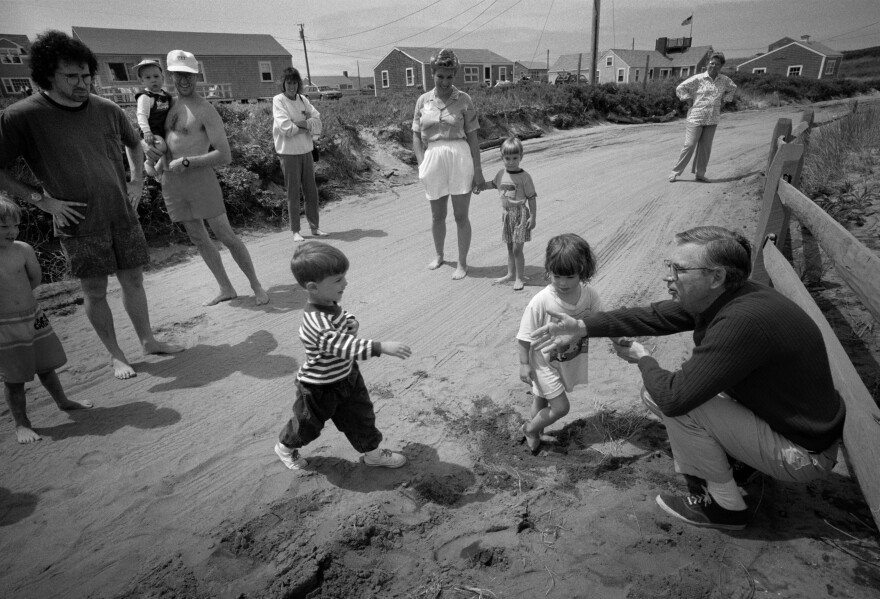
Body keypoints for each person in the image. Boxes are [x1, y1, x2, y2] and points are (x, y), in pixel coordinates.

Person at [531, 226, 844, 530]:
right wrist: (581, 327)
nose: (669, 276)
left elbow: (674, 398)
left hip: (803, 454)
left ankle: (725, 506)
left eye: (679, 269)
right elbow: (653, 316)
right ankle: (738, 463)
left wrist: (644, 358)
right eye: (670, 266)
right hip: (791, 430)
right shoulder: (731, 296)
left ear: (716, 276)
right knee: (668, 389)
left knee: (669, 397)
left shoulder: (741, 322)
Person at [0, 30, 183, 380]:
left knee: (133, 280)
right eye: (71, 76)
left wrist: (137, 180)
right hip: (78, 221)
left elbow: (134, 145)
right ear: (46, 76)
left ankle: (148, 340)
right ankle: (116, 355)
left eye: (86, 75)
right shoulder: (22, 116)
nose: (82, 82)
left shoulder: (107, 108)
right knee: (95, 289)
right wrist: (42, 200)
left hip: (121, 213)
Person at [274, 241, 412, 470]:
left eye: (343, 277)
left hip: (347, 375)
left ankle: (373, 453)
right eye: (338, 280)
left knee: (361, 417)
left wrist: (352, 321)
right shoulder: (316, 322)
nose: (345, 283)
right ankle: (285, 447)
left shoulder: (329, 302)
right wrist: (380, 347)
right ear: (312, 287)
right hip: (320, 387)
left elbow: (342, 314)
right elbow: (344, 346)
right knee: (307, 425)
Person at [149, 50, 269, 307]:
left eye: (189, 75)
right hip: (172, 182)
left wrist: (188, 161)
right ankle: (226, 287)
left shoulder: (205, 109)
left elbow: (224, 155)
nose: (184, 80)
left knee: (225, 235)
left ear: (197, 76)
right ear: (171, 75)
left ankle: (256, 285)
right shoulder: (167, 105)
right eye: (179, 75)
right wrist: (156, 161)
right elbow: (165, 141)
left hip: (200, 179)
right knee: (198, 237)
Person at [516, 234, 623, 453]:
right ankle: (530, 428)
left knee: (540, 397)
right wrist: (524, 363)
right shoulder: (541, 301)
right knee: (561, 407)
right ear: (548, 270)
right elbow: (524, 336)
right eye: (556, 276)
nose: (563, 283)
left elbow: (604, 321)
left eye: (570, 276)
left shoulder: (589, 296)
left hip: (565, 360)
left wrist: (617, 339)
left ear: (583, 271)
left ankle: (537, 430)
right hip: (543, 363)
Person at [0, 197, 93, 443]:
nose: (12, 232)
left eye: (15, 225)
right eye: (3, 227)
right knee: (15, 377)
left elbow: (34, 279)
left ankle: (63, 401)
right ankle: (22, 423)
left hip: (33, 316)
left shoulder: (23, 249)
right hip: (4, 326)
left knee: (46, 366)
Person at [412, 48, 486, 280]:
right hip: (433, 156)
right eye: (440, 76)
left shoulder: (464, 99)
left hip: (459, 155)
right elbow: (415, 135)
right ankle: (439, 254)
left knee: (461, 215)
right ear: (432, 74)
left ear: (455, 75)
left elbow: (473, 136)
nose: (444, 81)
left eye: (449, 76)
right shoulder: (423, 100)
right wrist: (421, 163)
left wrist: (478, 171)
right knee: (437, 215)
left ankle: (462, 263)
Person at [272, 67, 325, 242]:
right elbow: (285, 128)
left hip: (306, 151)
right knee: (293, 193)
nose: (292, 87)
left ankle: (315, 227)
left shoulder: (303, 100)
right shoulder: (278, 101)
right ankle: (295, 230)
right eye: (289, 83)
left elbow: (317, 121)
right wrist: (307, 125)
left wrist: (300, 125)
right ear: (283, 84)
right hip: (288, 153)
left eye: (295, 83)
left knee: (311, 192)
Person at [477, 136, 537, 291]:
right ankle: (511, 273)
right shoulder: (501, 173)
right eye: (507, 158)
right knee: (510, 247)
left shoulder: (525, 177)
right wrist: (481, 186)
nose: (511, 161)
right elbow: (493, 184)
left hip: (520, 214)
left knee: (518, 248)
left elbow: (531, 197)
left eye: (515, 158)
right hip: (506, 215)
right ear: (502, 157)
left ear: (521, 157)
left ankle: (519, 277)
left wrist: (533, 216)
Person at [668, 52, 737, 183]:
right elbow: (680, 88)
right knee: (689, 145)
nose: (714, 66)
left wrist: (725, 100)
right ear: (707, 64)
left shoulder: (725, 80)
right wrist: (688, 99)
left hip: (712, 119)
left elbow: (733, 88)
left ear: (721, 66)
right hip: (696, 117)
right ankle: (675, 172)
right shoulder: (699, 79)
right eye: (712, 63)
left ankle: (700, 174)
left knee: (705, 148)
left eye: (717, 64)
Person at [133, 59, 171, 176]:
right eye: (148, 78)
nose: (153, 80)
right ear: (142, 81)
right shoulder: (145, 97)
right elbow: (141, 115)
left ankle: (162, 168)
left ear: (162, 78)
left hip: (162, 128)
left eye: (156, 76)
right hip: (151, 130)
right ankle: (149, 162)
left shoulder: (166, 96)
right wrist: (147, 131)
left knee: (169, 148)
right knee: (162, 146)